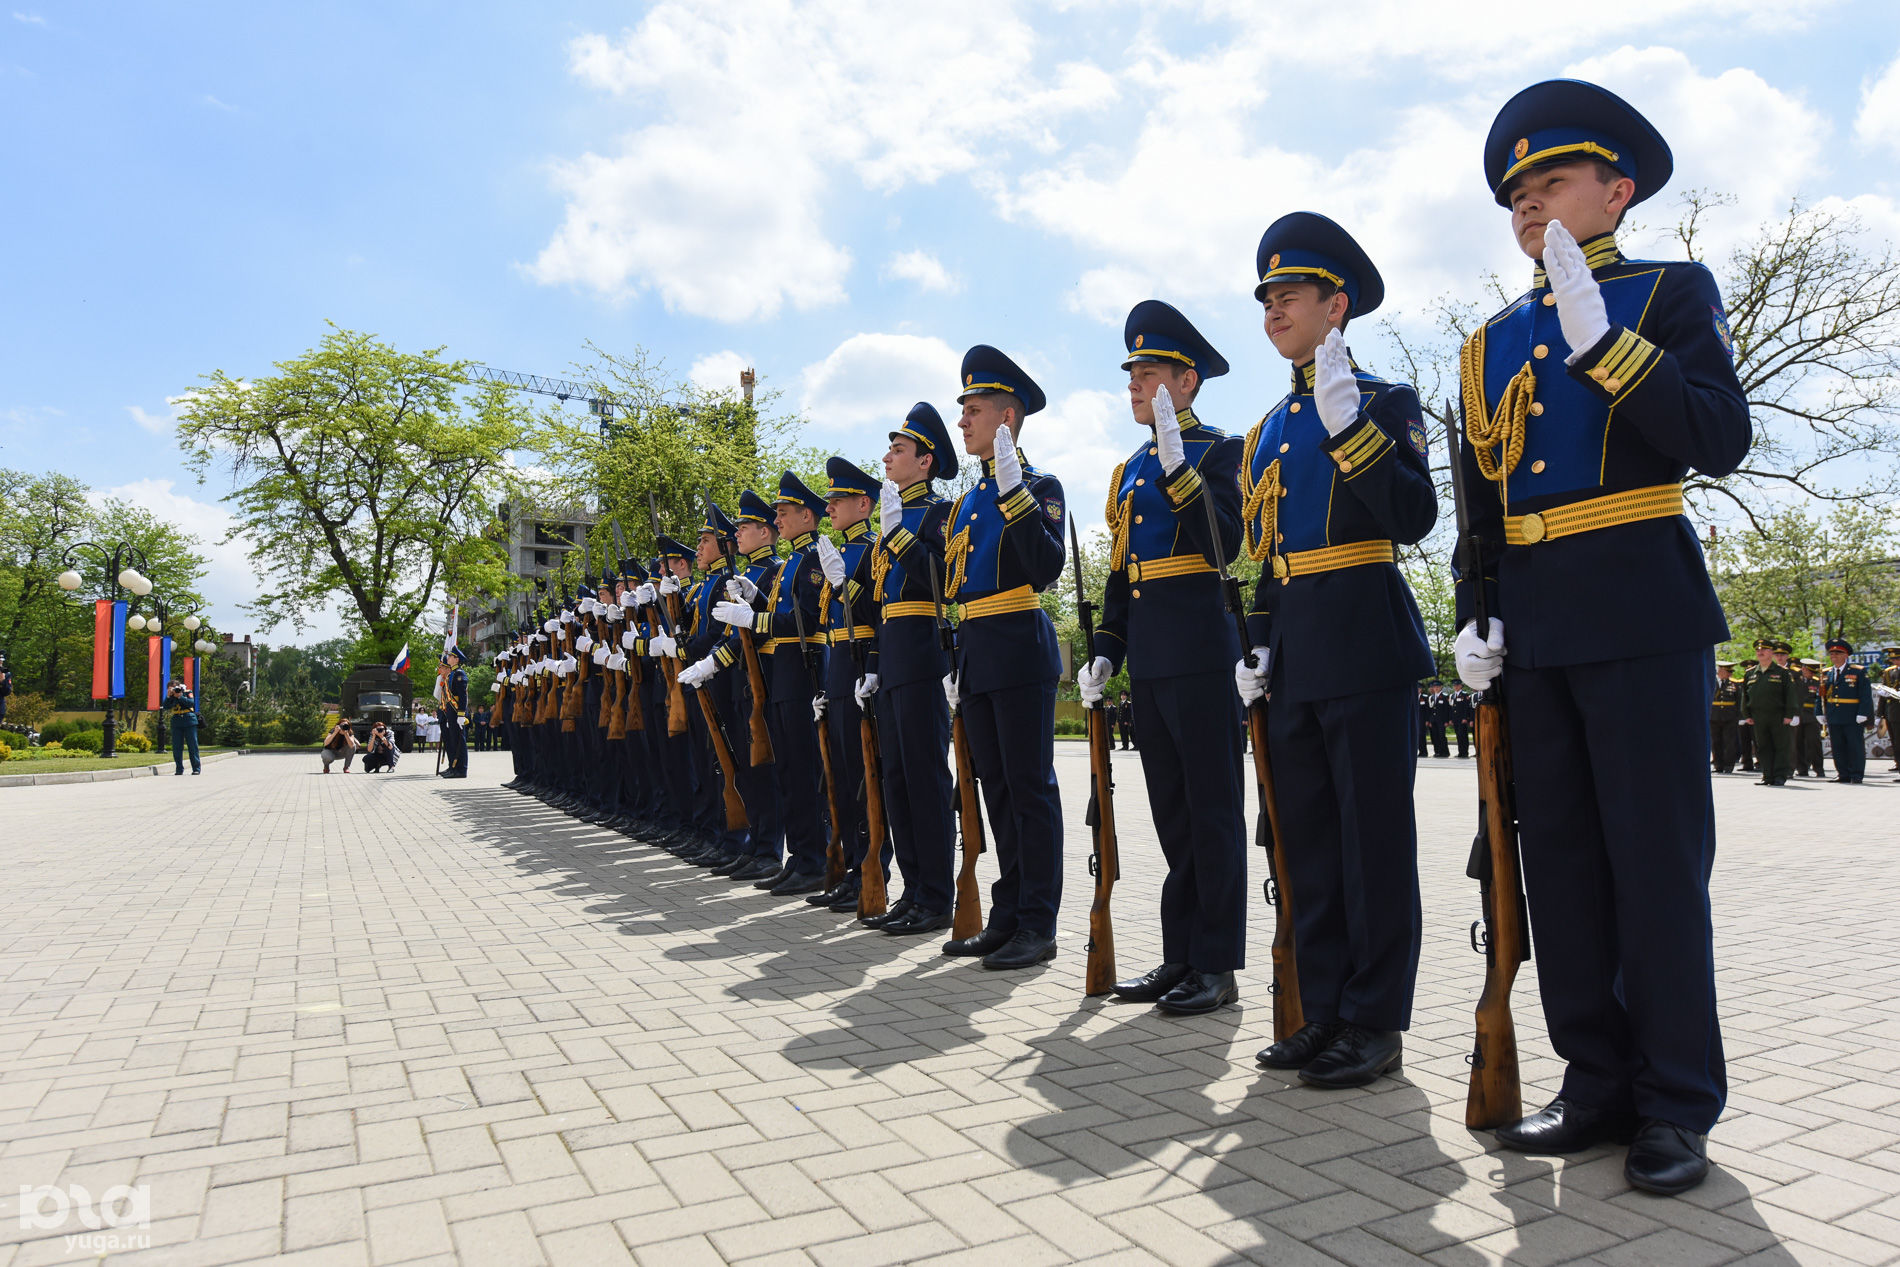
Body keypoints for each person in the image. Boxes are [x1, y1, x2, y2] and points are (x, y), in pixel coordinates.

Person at [1450, 78, 1750, 1195]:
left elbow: (1716, 435)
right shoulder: (1487, 343)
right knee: (1561, 863)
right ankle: (1594, 1081)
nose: (1530, 205)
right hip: (1534, 619)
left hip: (1637, 599)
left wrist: (1608, 347)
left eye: (1552, 181)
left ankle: (1676, 1099)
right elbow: (1480, 500)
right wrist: (1478, 609)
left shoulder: (1670, 290)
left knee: (1655, 866)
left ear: (1615, 190)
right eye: (1516, 194)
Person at [1236, 212, 1435, 1088]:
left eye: (1290, 295)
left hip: (1363, 626)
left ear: (1336, 305)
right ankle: (1322, 1009)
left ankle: (1374, 1017)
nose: (1274, 310)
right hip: (1300, 645)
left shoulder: (1383, 399)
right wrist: (1260, 640)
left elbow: (1413, 518)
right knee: (1306, 840)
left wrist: (1352, 428)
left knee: (1373, 843)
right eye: (1267, 299)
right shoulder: (1265, 431)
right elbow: (1266, 555)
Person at [1077, 299, 1246, 1016]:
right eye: (1132, 375)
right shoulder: (1127, 470)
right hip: (1150, 657)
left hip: (1203, 652)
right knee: (1173, 815)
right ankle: (1180, 953)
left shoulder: (1220, 450)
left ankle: (1217, 963)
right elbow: (1122, 574)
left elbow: (1223, 545)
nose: (1134, 386)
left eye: (1147, 373)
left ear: (1187, 379)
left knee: (1213, 813)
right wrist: (1109, 650)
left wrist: (1183, 473)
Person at [939, 344, 1068, 972]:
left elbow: (1044, 568)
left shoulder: (1040, 487)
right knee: (995, 792)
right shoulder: (965, 501)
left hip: (1019, 642)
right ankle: (1008, 914)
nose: (963, 420)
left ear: (1008, 419)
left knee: (1029, 790)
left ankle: (1038, 922)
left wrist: (1018, 497)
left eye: (975, 409)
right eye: (963, 409)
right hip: (980, 652)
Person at [861, 404, 960, 931]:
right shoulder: (892, 519)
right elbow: (882, 604)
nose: (887, 458)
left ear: (925, 462)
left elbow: (941, 582)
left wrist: (900, 537)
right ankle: (913, 890)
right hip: (896, 657)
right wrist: (874, 664)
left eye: (898, 451)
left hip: (925, 654)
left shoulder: (942, 514)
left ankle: (938, 896)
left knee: (925, 779)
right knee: (896, 778)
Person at [1742, 638, 1798, 787]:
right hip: (1758, 717)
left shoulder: (1782, 672)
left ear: (1771, 653)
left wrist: (1789, 714)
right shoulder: (1750, 673)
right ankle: (1767, 775)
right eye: (1758, 650)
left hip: (1778, 716)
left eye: (1764, 650)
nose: (1760, 652)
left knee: (1781, 746)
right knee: (1763, 747)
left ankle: (1780, 775)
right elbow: (1745, 696)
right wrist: (1746, 715)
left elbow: (1790, 695)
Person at [1822, 639, 1873, 784]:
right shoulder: (1826, 673)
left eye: (1838, 653)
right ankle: (1843, 773)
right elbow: (1821, 695)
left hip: (1852, 715)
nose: (1834, 656)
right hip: (1833, 715)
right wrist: (1819, 712)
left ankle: (1856, 774)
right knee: (1837, 746)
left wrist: (1863, 713)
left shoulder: (1858, 671)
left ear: (1846, 655)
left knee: (1854, 746)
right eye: (1832, 653)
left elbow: (1865, 695)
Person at [437, 647, 469, 778]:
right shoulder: (452, 674)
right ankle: (454, 768)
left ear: (456, 659)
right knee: (454, 740)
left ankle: (461, 770)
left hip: (457, 712)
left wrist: (461, 714)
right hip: (451, 712)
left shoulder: (459, 674)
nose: (448, 658)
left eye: (450, 656)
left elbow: (463, 696)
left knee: (459, 741)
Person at [1794, 659, 1826, 778]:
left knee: (1814, 743)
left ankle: (1819, 768)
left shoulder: (1818, 682)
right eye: (1806, 670)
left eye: (1811, 671)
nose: (1809, 673)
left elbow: (1821, 700)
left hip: (1812, 715)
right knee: (1798, 743)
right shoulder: (1796, 681)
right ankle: (1802, 769)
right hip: (1798, 715)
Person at [165, 677, 201, 775]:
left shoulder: (187, 692)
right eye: (170, 689)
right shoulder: (171, 697)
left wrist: (180, 696)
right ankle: (179, 769)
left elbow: (191, 703)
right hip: (177, 722)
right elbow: (166, 706)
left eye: (174, 688)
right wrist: (169, 696)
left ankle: (196, 768)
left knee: (192, 746)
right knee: (177, 747)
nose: (173, 690)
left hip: (189, 720)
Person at [1709, 662, 1741, 773]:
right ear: (1720, 671)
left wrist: (1740, 716)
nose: (1729, 674)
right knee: (1716, 742)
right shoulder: (1711, 683)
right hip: (1714, 716)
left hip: (1729, 717)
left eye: (1730, 672)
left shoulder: (1734, 684)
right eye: (1727, 671)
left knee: (1729, 742)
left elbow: (1739, 701)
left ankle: (1728, 765)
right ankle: (1718, 765)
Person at [1883, 647, 1900, 773]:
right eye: (1893, 659)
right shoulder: (1889, 672)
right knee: (1894, 739)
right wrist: (1880, 714)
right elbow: (1883, 695)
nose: (1895, 661)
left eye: (1897, 658)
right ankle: (1898, 762)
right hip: (1892, 711)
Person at [1424, 680, 1452, 758]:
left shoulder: (1445, 696)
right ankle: (1437, 751)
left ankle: (1445, 752)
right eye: (1434, 687)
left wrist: (1447, 720)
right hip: (1433, 721)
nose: (1436, 688)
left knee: (1442, 736)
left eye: (1437, 687)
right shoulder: (1431, 697)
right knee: (1434, 737)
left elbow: (1448, 709)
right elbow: (1429, 710)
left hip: (1442, 721)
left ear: (1441, 687)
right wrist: (1429, 720)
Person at [1450, 685, 1475, 758]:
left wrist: (1465, 718)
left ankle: (1465, 752)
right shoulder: (1452, 695)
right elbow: (1451, 708)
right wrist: (1451, 719)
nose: (1456, 687)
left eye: (1457, 685)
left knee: (1463, 735)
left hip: (1462, 719)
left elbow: (1466, 707)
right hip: (1455, 719)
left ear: (1461, 686)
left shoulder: (1464, 695)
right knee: (1458, 736)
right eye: (1454, 686)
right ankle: (1460, 752)